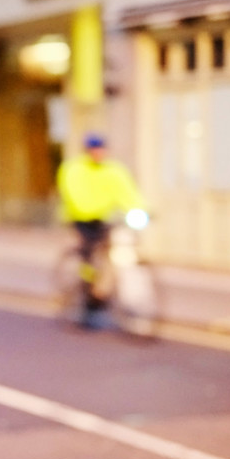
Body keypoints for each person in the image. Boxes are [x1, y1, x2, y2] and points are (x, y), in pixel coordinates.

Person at [56, 133, 146, 327]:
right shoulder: (74, 169)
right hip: (81, 219)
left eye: (100, 149)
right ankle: (88, 304)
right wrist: (91, 211)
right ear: (87, 151)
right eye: (93, 149)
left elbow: (127, 192)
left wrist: (140, 210)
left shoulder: (114, 170)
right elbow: (74, 195)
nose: (97, 153)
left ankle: (107, 292)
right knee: (89, 259)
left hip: (105, 219)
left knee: (113, 254)